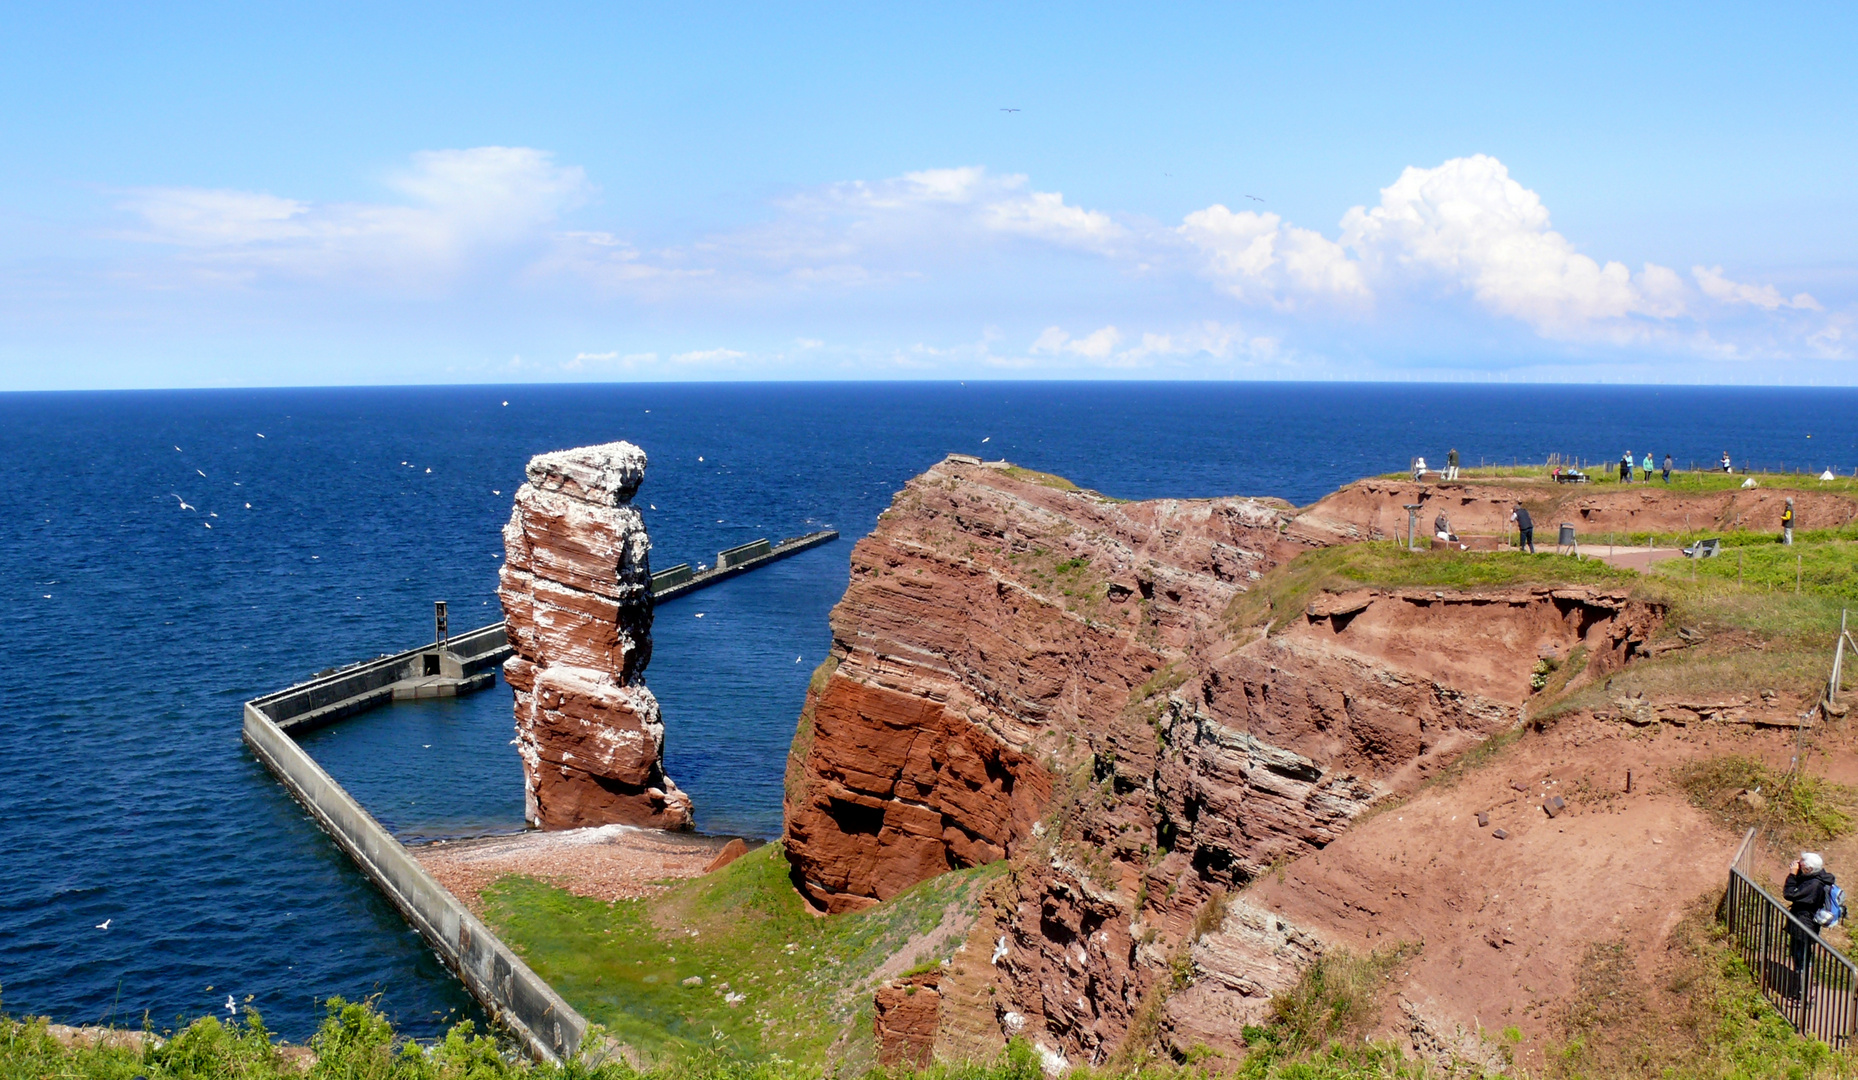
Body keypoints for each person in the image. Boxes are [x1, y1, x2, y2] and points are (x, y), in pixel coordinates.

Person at [1784, 852, 1836, 1000]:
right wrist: (1798, 873)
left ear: (1808, 869)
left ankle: (1805, 993)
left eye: (1802, 864)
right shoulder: (1816, 877)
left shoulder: (1813, 885)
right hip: (1805, 923)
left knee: (1802, 957)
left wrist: (1792, 876)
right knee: (1801, 955)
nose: (1798, 864)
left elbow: (1789, 893)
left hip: (1804, 925)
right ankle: (1804, 989)